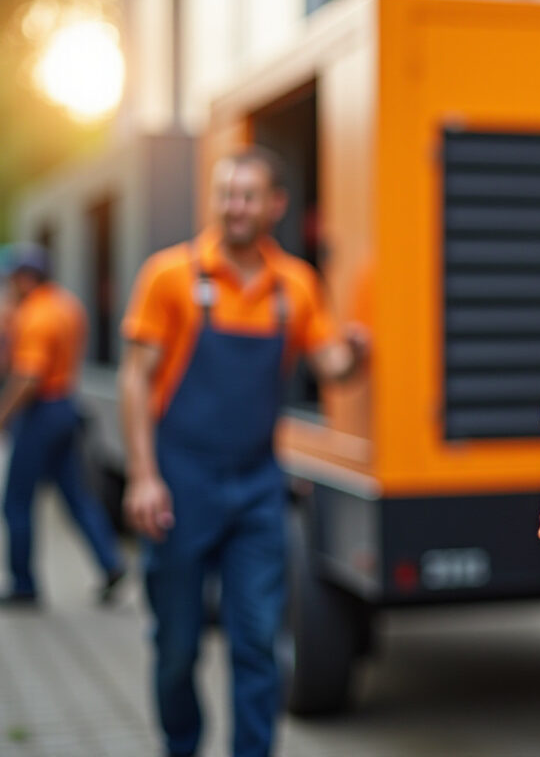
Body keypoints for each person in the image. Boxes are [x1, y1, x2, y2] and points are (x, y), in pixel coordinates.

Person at [118, 147, 365, 757]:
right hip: (181, 483)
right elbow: (133, 379)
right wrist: (144, 477)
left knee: (255, 641)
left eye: (248, 195)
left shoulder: (296, 286)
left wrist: (360, 348)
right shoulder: (170, 276)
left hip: (257, 486)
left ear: (275, 205)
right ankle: (182, 746)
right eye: (226, 193)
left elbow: (331, 364)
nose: (234, 206)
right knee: (177, 646)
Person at [0, 244, 124, 607]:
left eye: (12, 280)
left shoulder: (37, 316)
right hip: (66, 407)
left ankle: (24, 584)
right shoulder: (66, 305)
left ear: (26, 278)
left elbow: (28, 378)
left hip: (42, 412)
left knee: (16, 500)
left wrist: (3, 416)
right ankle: (111, 561)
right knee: (75, 495)